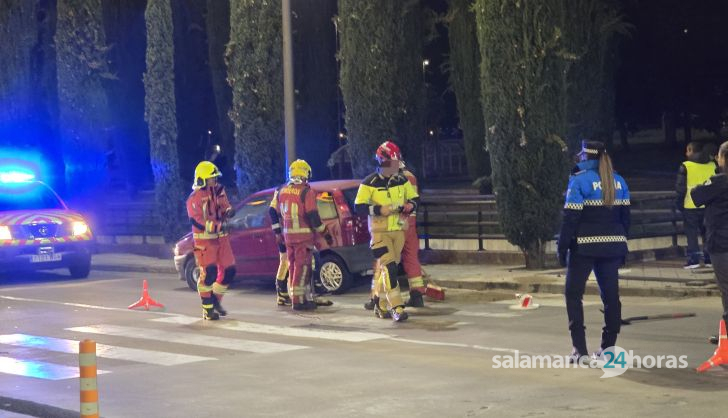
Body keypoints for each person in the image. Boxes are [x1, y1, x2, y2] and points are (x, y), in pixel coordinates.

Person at [557, 140, 631, 362]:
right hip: (613, 246)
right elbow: (626, 220)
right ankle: (608, 349)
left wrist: (562, 247)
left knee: (573, 294)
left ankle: (580, 350)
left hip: (584, 247)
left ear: (585, 157)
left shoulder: (579, 181)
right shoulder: (619, 181)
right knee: (611, 297)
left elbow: (570, 219)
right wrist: (621, 247)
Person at [355, 143, 419, 322]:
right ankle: (397, 307)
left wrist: (410, 206)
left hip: (398, 231)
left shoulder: (402, 180)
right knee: (390, 268)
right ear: (382, 161)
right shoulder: (369, 183)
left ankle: (380, 303)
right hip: (379, 233)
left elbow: (415, 199)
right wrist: (378, 210)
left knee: (387, 270)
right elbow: (358, 207)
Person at [273, 159, 333, 311]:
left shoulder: (282, 191)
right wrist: (325, 232)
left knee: (293, 267)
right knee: (303, 268)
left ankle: (296, 297)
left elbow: (275, 212)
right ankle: (299, 301)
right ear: (305, 174)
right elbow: (313, 216)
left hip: (288, 237)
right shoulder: (306, 192)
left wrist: (278, 232)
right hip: (303, 238)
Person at [186, 161, 236, 320]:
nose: (214, 181)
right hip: (205, 242)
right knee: (209, 274)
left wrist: (229, 211)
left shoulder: (219, 190)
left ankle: (215, 300)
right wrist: (217, 226)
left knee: (229, 271)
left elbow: (224, 205)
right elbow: (198, 221)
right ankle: (208, 309)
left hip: (221, 239)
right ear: (202, 179)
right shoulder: (193, 199)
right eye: (211, 178)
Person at [691, 141, 728, 344]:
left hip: (722, 244)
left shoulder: (720, 181)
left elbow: (696, 194)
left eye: (720, 157)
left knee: (727, 289)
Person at [676, 141, 717, 268]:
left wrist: (679, 204)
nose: (686, 153)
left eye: (688, 150)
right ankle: (709, 259)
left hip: (690, 205)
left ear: (692, 151)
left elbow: (680, 188)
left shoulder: (686, 166)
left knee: (691, 233)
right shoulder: (712, 165)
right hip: (709, 205)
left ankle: (693, 260)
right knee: (708, 232)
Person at [269, 187, 291, 306]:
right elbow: (272, 210)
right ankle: (281, 294)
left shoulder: (290, 189)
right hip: (283, 233)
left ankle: (285, 293)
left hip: (289, 233)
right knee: (285, 261)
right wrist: (278, 232)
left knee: (288, 262)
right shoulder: (281, 190)